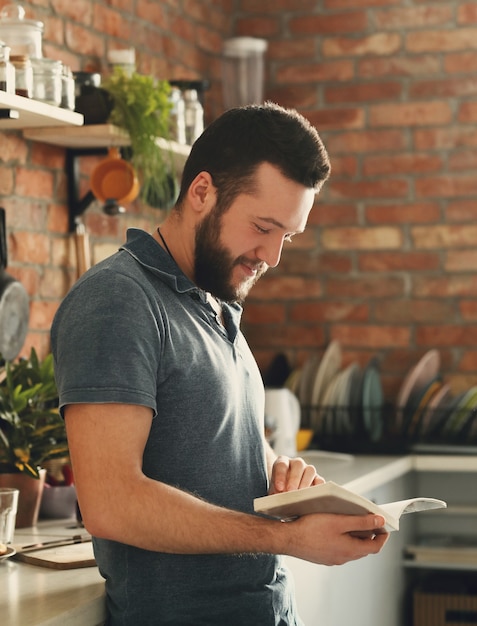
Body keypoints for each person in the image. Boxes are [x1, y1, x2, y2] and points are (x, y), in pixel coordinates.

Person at [51, 102, 388, 625]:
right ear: (202, 191)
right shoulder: (118, 300)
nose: (272, 255)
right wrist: (287, 538)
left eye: (288, 236)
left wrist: (283, 478)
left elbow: (214, 444)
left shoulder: (214, 300)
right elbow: (111, 502)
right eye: (263, 226)